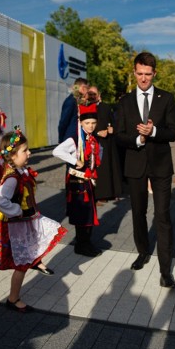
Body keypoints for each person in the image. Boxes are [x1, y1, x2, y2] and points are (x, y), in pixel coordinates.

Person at [116, 52, 175, 288]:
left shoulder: (166, 98)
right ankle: (143, 252)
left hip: (161, 165)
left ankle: (165, 270)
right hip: (135, 163)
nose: (144, 79)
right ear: (134, 72)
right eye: (140, 74)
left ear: (155, 73)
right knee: (138, 213)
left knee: (162, 216)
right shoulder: (124, 101)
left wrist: (153, 132)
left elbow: (173, 131)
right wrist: (138, 140)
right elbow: (120, 136)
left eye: (148, 74)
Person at [0, 127, 67, 311]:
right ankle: (13, 299)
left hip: (28, 221)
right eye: (25, 150)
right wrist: (16, 210)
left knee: (42, 238)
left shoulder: (20, 170)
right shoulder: (12, 178)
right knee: (21, 265)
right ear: (12, 156)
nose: (29, 153)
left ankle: (34, 261)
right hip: (17, 226)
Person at [53, 102, 103, 256]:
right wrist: (75, 161)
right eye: (87, 123)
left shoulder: (92, 138)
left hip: (88, 180)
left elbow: (100, 151)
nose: (91, 126)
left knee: (89, 211)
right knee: (82, 212)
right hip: (77, 182)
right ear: (81, 122)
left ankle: (85, 241)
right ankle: (81, 244)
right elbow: (57, 151)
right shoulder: (75, 138)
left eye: (94, 123)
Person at [89, 85, 122, 203]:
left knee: (109, 167)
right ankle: (99, 195)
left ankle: (110, 193)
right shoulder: (86, 108)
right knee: (98, 168)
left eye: (94, 94)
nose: (92, 96)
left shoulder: (106, 107)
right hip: (94, 141)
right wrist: (97, 132)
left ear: (99, 95)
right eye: (90, 94)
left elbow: (113, 122)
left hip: (108, 142)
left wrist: (111, 129)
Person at [58, 77, 88, 143]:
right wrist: (61, 140)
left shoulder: (78, 101)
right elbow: (63, 122)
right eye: (87, 89)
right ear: (83, 88)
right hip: (70, 140)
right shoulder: (71, 101)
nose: (87, 92)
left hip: (77, 139)